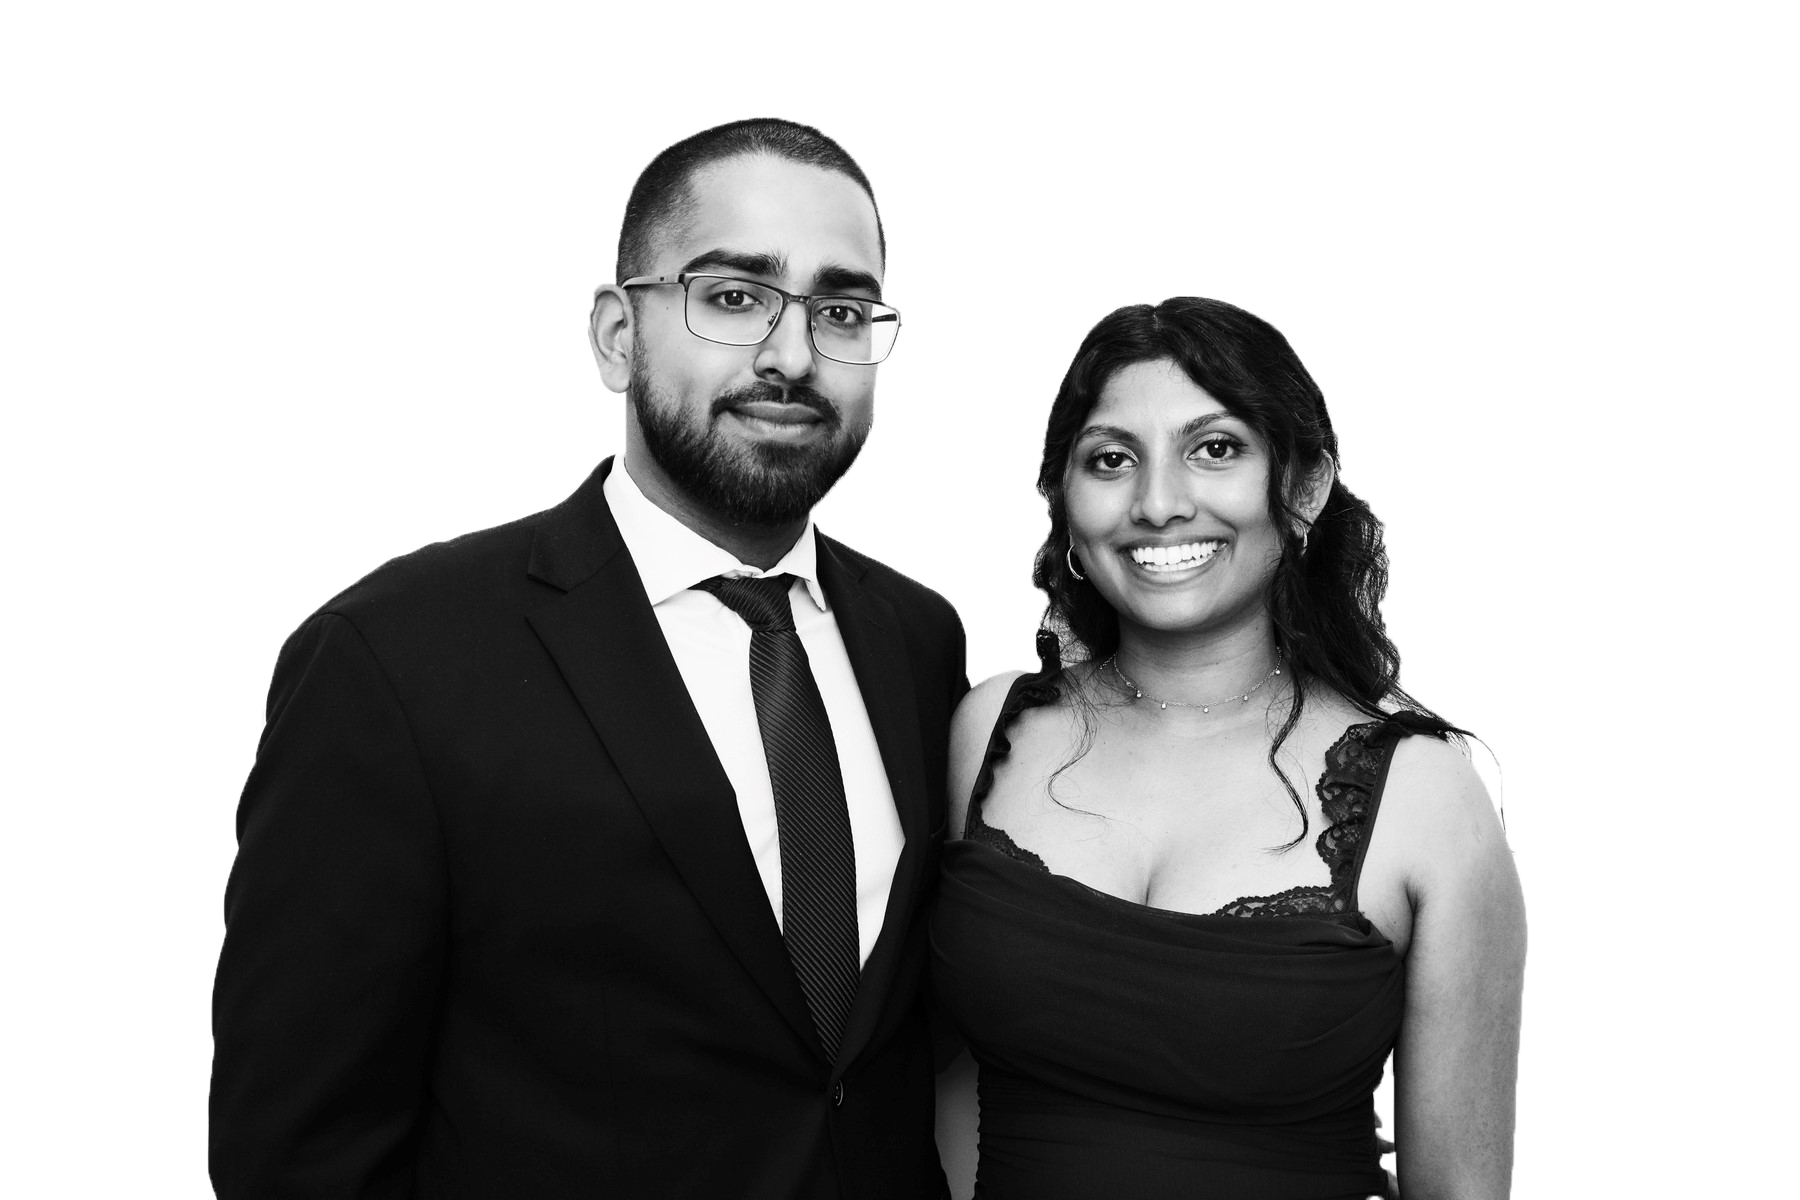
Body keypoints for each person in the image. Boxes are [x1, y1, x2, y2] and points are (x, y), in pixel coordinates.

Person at [210, 117, 968, 1199]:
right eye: (733, 296)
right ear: (615, 338)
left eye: (841, 311)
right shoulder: (391, 657)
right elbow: (296, 1154)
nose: (793, 355)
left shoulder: (920, 639)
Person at [930, 296, 1528, 1198]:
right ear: (1065, 503)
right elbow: (928, 1086)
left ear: (1305, 487)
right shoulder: (988, 731)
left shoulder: (1426, 797)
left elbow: (1461, 1189)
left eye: (1215, 449)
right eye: (1111, 459)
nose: (1159, 503)